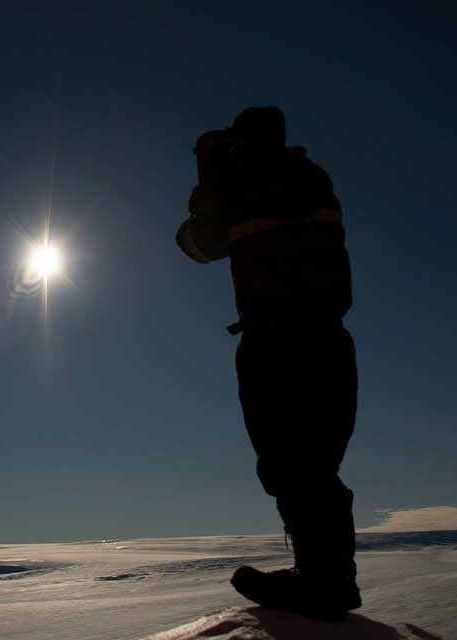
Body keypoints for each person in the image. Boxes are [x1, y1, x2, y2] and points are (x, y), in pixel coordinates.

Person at [176, 106, 361, 623]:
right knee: (315, 459)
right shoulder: (312, 177)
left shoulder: (240, 186)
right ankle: (326, 573)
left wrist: (208, 174)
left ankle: (322, 582)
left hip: (276, 337)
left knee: (290, 459)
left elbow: (197, 244)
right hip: (328, 334)